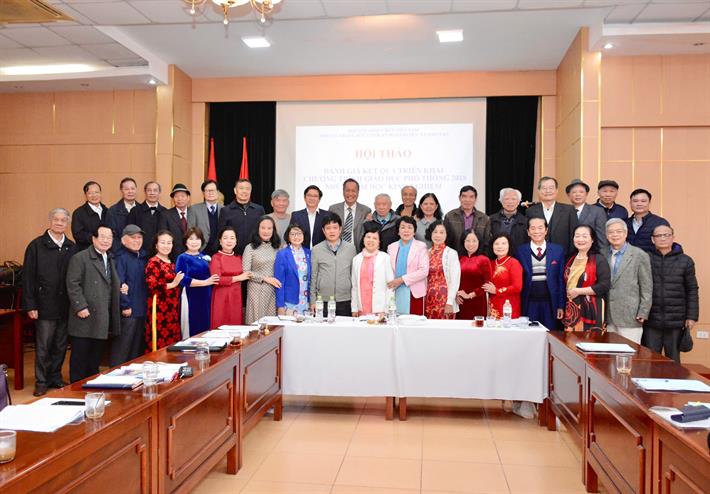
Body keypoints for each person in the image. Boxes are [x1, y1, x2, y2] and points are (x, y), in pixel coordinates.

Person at [22, 208, 75, 396]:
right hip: (44, 305)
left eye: (63, 220)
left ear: (67, 223)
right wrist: (30, 305)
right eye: (56, 219)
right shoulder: (36, 246)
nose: (59, 223)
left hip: (65, 305)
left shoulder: (71, 246)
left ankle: (55, 377)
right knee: (44, 345)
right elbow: (27, 278)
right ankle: (42, 381)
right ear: (50, 221)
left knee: (60, 345)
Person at [65, 225, 121, 382]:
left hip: (102, 316)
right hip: (85, 314)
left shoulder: (110, 258)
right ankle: (76, 389)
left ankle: (91, 387)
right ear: (93, 238)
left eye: (109, 237)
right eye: (102, 237)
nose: (106, 240)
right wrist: (80, 306)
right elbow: (72, 284)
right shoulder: (80, 258)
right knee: (80, 357)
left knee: (95, 358)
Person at [642, 225, 699, 363]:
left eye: (666, 235)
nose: (663, 238)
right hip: (651, 319)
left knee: (673, 361)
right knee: (650, 361)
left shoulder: (685, 261)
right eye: (658, 235)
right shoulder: (646, 258)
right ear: (653, 239)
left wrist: (691, 316)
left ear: (673, 237)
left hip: (676, 320)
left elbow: (692, 289)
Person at [603, 218, 652, 344]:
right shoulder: (602, 254)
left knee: (630, 352)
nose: (615, 235)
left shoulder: (639, 255)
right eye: (611, 232)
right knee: (610, 354)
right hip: (608, 316)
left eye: (619, 231)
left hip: (631, 315)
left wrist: (643, 312)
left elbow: (646, 286)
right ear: (606, 235)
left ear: (625, 233)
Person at [515, 217, 566, 331]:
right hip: (529, 302)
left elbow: (560, 280)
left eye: (540, 228)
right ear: (528, 232)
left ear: (546, 230)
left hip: (550, 303)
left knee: (549, 334)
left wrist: (560, 305)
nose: (537, 231)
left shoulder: (558, 250)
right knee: (529, 334)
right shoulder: (520, 251)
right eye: (533, 228)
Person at [110, 224, 148, 366]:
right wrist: (125, 305)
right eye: (133, 237)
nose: (137, 240)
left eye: (139, 237)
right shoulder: (120, 257)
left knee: (136, 349)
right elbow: (119, 283)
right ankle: (115, 374)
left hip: (142, 310)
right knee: (123, 347)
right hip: (129, 311)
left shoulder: (143, 257)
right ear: (123, 240)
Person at [562, 225, 611, 331]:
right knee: (571, 339)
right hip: (572, 309)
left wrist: (579, 291)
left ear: (592, 239)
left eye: (584, 236)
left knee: (590, 339)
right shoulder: (570, 259)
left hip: (592, 309)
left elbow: (604, 285)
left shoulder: (599, 259)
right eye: (577, 236)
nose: (580, 239)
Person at [310, 213, 357, 317]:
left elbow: (354, 275)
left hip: (346, 300)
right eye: (328, 228)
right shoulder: (316, 250)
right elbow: (313, 276)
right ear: (323, 231)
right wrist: (312, 301)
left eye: (335, 228)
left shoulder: (351, 248)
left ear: (340, 229)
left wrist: (355, 303)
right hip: (322, 300)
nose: (332, 231)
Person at [176, 227, 219, 337]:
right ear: (186, 241)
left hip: (206, 296)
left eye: (197, 239)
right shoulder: (182, 257)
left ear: (201, 241)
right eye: (191, 239)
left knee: (205, 327)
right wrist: (205, 282)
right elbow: (183, 279)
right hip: (191, 296)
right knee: (193, 326)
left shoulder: (204, 257)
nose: (194, 242)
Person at [144, 231, 184, 351]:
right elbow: (152, 285)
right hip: (159, 308)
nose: (166, 245)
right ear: (156, 245)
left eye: (169, 243)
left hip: (173, 307)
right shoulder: (153, 262)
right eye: (162, 242)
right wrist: (174, 284)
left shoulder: (172, 262)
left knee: (173, 340)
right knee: (159, 340)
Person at [243, 216, 282, 324]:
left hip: (273, 291)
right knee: (256, 325)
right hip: (256, 290)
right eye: (263, 228)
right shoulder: (250, 247)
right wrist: (266, 278)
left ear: (273, 230)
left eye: (269, 228)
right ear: (258, 229)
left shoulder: (277, 248)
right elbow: (246, 272)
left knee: (272, 326)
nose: (266, 231)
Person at [387, 216, 429, 315]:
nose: (406, 230)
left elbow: (424, 271)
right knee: (395, 320)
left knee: (413, 322)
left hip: (414, 291)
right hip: (395, 290)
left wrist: (402, 279)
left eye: (410, 227)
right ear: (398, 231)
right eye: (402, 227)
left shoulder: (421, 246)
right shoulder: (391, 247)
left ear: (414, 232)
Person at [526, 176, 578, 256]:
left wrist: (571, 256)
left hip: (563, 256)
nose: (548, 191)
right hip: (537, 256)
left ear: (557, 190)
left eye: (551, 188)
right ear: (538, 191)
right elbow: (528, 235)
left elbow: (574, 235)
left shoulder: (569, 210)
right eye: (544, 188)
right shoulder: (530, 211)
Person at [210, 227, 251, 327]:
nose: (229, 241)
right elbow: (217, 280)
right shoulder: (216, 257)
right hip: (221, 297)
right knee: (220, 325)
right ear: (220, 241)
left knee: (235, 325)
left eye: (232, 238)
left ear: (236, 241)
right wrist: (237, 278)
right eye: (225, 238)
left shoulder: (239, 258)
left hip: (236, 297)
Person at [351, 223, 394, 316]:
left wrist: (386, 310)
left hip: (380, 309)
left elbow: (390, 286)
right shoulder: (356, 259)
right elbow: (354, 286)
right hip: (361, 308)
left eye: (374, 238)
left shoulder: (385, 258)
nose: (371, 240)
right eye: (368, 237)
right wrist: (354, 308)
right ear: (363, 239)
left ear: (379, 242)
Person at [218, 179, 266, 255]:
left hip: (255, 253)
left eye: (247, 189)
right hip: (233, 254)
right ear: (235, 190)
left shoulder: (259, 210)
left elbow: (264, 231)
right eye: (241, 188)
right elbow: (221, 233)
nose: (244, 191)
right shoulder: (226, 211)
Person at [424, 221, 460, 320]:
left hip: (444, 300)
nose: (438, 235)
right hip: (428, 299)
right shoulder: (426, 253)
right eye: (435, 232)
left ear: (447, 235)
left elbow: (455, 280)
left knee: (445, 328)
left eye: (441, 232)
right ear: (430, 233)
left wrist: (450, 302)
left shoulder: (451, 253)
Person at [483, 233, 523, 319]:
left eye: (503, 243)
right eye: (496, 244)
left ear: (509, 246)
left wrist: (496, 291)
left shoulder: (514, 263)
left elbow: (517, 287)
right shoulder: (490, 264)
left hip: (508, 307)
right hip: (492, 306)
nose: (500, 246)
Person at [274, 224, 311, 315]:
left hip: (306, 302)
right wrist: (280, 306)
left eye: (299, 233)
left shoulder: (309, 253)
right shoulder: (282, 254)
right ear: (288, 236)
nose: (296, 237)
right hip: (289, 303)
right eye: (293, 234)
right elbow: (279, 282)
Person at [328, 178, 372, 250]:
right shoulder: (333, 209)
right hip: (336, 251)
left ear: (358, 192)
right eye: (347, 190)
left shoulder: (366, 210)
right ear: (343, 191)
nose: (350, 194)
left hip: (357, 251)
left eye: (353, 191)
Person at [456, 230, 491, 319]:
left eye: (474, 241)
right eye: (468, 241)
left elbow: (487, 283)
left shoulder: (484, 259)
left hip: (477, 301)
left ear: (479, 242)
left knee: (476, 325)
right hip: (460, 301)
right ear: (463, 242)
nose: (471, 244)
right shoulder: (458, 258)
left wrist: (470, 295)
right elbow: (453, 280)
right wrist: (455, 295)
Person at [444, 185, 491, 250]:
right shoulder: (449, 216)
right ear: (459, 198)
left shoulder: (485, 218)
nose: (467, 200)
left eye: (471, 197)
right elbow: (446, 241)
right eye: (464, 196)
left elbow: (487, 242)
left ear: (475, 199)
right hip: (455, 254)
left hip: (477, 255)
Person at [566, 179, 608, 249]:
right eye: (574, 192)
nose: (578, 194)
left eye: (581, 192)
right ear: (568, 195)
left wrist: (603, 254)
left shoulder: (597, 211)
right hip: (568, 253)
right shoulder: (564, 212)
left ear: (586, 194)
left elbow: (602, 238)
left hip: (591, 252)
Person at [625, 188, 669, 253]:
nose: (639, 204)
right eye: (635, 201)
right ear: (630, 203)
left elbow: (666, 247)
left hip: (651, 259)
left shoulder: (660, 223)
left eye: (643, 201)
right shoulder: (624, 223)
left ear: (649, 203)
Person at [71, 181, 112, 251]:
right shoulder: (78, 213)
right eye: (90, 193)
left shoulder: (108, 211)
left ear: (100, 193)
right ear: (85, 195)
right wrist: (95, 238)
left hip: (107, 251)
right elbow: (78, 234)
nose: (94, 195)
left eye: (96, 192)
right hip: (87, 252)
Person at [158, 183, 196, 257]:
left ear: (188, 198)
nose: (179, 199)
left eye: (182, 196)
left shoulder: (194, 213)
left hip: (192, 253)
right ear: (173, 199)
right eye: (176, 196)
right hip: (173, 255)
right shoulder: (165, 215)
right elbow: (163, 236)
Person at [127, 181, 167, 249]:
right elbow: (129, 233)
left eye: (155, 190)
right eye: (149, 190)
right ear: (145, 192)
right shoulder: (135, 211)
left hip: (159, 251)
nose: (152, 193)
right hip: (139, 251)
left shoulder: (165, 212)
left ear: (159, 192)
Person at [489, 188, 528, 255]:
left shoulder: (525, 221)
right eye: (506, 199)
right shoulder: (491, 219)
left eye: (513, 199)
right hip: (496, 258)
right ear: (501, 201)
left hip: (518, 258)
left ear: (519, 202)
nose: (510, 202)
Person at [291, 185, 328, 249]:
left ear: (319, 199)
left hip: (321, 252)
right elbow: (291, 235)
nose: (312, 198)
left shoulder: (326, 215)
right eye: (309, 195)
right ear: (304, 198)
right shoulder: (296, 215)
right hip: (301, 251)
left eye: (315, 196)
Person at [192, 179, 223, 255]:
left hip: (220, 251)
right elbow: (191, 231)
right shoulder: (194, 209)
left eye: (213, 190)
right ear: (203, 193)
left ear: (217, 192)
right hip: (201, 250)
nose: (210, 193)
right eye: (207, 191)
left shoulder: (224, 209)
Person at [108, 177, 139, 250]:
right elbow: (111, 235)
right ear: (121, 191)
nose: (130, 191)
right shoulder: (113, 211)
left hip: (139, 252)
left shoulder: (142, 209)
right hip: (119, 251)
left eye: (132, 188)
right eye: (126, 189)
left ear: (136, 190)